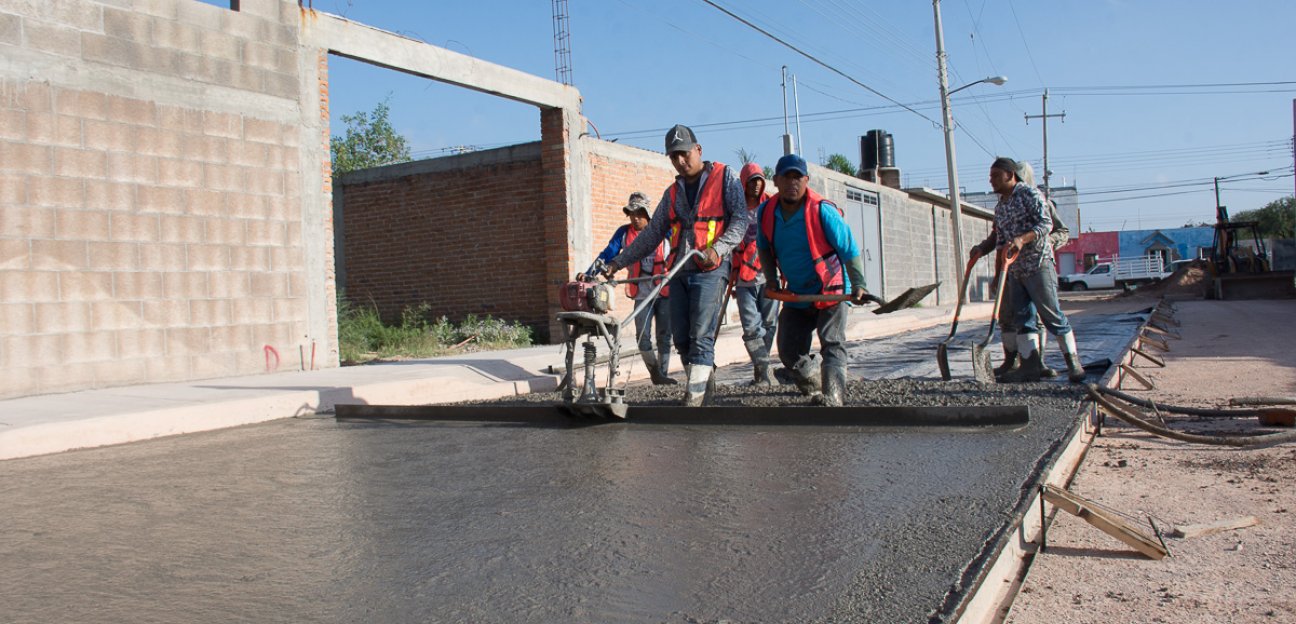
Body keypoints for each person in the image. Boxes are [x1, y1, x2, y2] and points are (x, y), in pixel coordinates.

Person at [604, 124, 750, 406]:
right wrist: (616, 263)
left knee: (700, 335)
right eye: (674, 157)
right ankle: (704, 391)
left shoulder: (725, 178)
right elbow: (651, 235)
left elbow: (740, 220)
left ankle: (693, 401)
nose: (680, 162)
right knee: (681, 338)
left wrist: (717, 249)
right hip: (680, 270)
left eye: (684, 154)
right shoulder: (673, 193)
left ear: (698, 150)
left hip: (711, 269)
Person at [756, 154, 869, 407]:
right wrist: (771, 279)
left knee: (832, 342)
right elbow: (763, 246)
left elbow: (849, 248)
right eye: (787, 177)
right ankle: (813, 384)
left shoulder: (822, 210)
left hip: (831, 290)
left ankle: (834, 397)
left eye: (798, 177)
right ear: (776, 181)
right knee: (788, 349)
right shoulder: (767, 212)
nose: (792, 183)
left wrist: (859, 284)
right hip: (798, 294)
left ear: (806, 180)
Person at [969, 156, 1085, 383]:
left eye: (995, 176)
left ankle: (1073, 363)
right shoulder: (1001, 205)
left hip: (1037, 264)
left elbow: (1045, 224)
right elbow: (1000, 239)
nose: (990, 181)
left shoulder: (1030, 195)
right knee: (1022, 319)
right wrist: (984, 251)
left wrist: (1022, 239)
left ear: (1010, 175)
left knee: (1051, 314)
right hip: (1014, 271)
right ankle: (1029, 365)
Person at [586, 191, 676, 385]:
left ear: (647, 213)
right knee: (642, 337)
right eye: (631, 214)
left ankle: (663, 375)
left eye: (639, 213)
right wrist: (589, 274)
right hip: (641, 294)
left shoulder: (663, 230)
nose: (635, 218)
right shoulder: (624, 233)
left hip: (665, 292)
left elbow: (678, 249)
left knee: (664, 335)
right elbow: (608, 254)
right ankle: (655, 372)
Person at [732, 162, 780, 385]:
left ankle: (762, 371)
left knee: (769, 323)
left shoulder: (771, 206)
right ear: (744, 183)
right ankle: (763, 369)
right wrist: (731, 278)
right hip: (744, 279)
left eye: (760, 180)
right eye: (752, 181)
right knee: (751, 327)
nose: (757, 185)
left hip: (769, 275)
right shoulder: (736, 210)